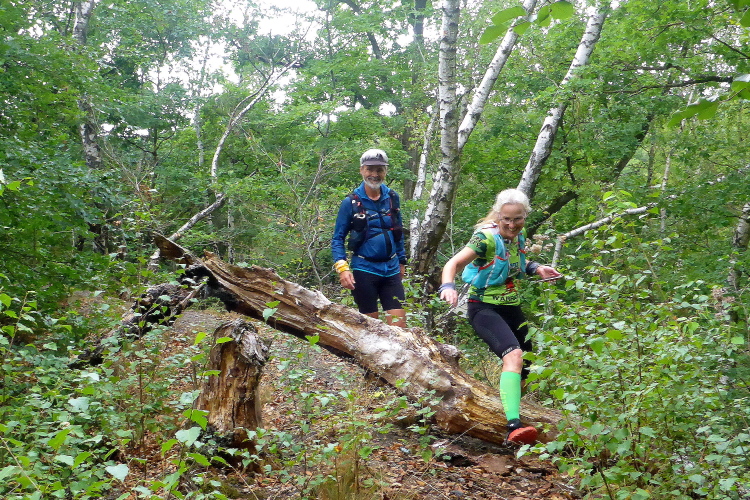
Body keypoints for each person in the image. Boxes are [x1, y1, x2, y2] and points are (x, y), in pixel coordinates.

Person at [438, 188, 561, 445]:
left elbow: (517, 265)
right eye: (506, 219)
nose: (512, 225)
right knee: (513, 355)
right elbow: (453, 264)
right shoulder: (484, 239)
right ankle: (512, 426)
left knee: (527, 363)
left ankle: (510, 408)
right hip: (483, 307)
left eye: (517, 219)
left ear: (525, 217)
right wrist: (448, 286)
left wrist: (537, 268)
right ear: (498, 215)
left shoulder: (519, 237)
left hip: (511, 307)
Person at [331, 148, 407, 327]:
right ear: (361, 170)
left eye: (380, 170)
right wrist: (343, 269)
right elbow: (338, 238)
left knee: (399, 328)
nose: (375, 174)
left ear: (385, 171)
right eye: (370, 169)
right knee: (371, 328)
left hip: (391, 268)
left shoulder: (392, 197)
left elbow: (398, 231)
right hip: (364, 269)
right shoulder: (351, 202)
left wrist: (402, 261)